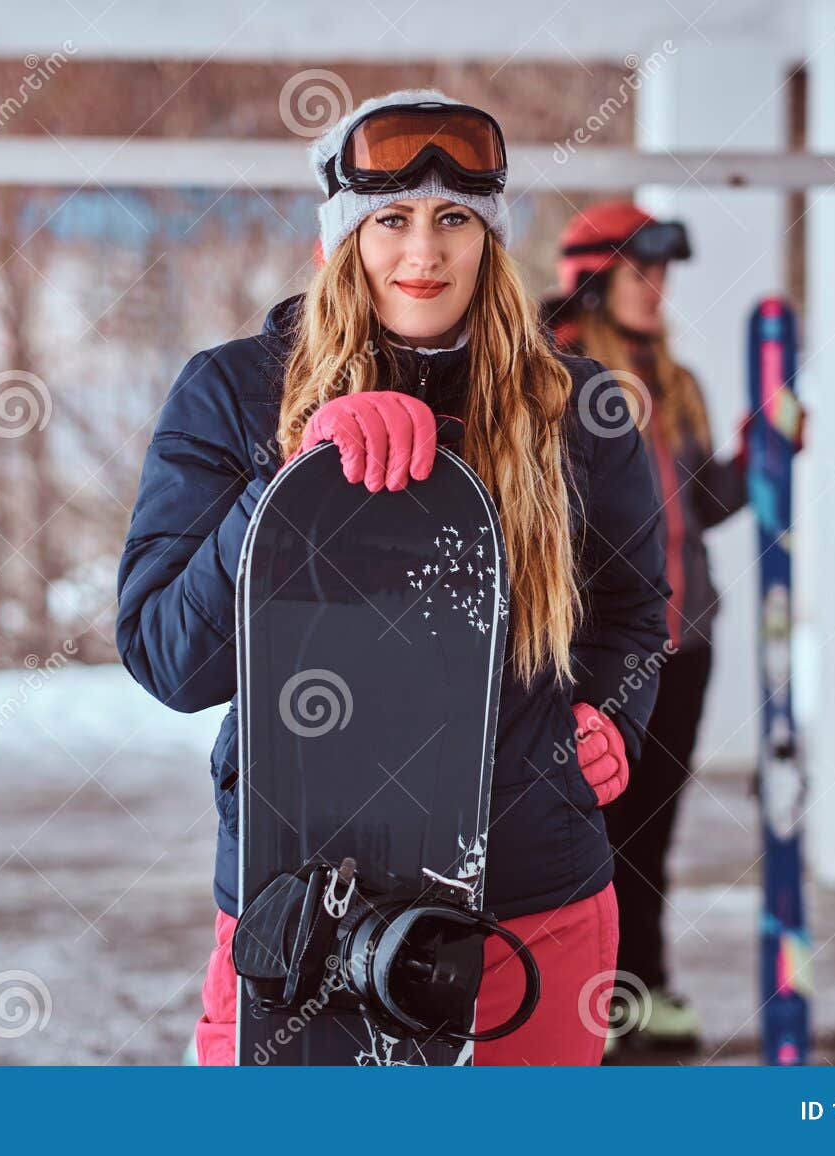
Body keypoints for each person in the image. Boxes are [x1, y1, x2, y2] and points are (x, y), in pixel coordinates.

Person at [117, 91, 670, 1065]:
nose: (425, 252)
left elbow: (631, 611)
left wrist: (612, 720)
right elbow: (170, 657)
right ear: (340, 240)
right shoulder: (235, 392)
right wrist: (293, 489)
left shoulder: (577, 407)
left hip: (534, 894)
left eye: (455, 219)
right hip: (301, 905)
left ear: (490, 240)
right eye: (391, 220)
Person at [544, 202, 800, 1055]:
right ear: (593, 280)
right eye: (639, 274)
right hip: (596, 648)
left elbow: (698, 506)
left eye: (662, 276)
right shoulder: (558, 376)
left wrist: (765, 449)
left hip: (682, 643)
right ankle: (587, 1002)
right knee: (593, 826)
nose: (657, 292)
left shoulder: (675, 380)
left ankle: (643, 987)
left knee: (654, 826)